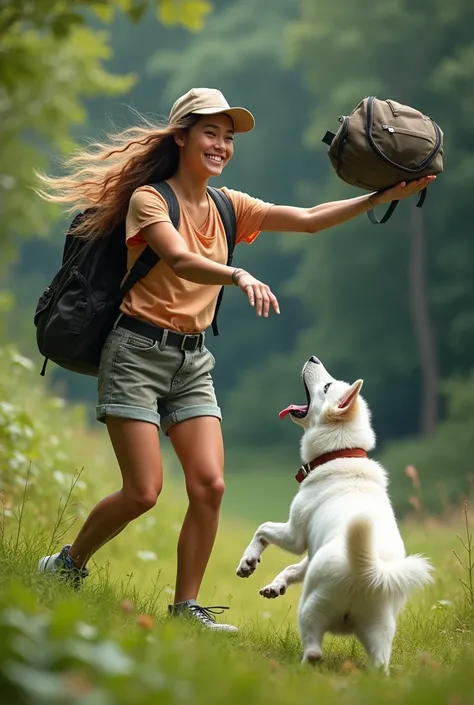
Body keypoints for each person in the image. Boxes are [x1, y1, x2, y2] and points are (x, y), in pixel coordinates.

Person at [36, 88, 434, 632]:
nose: (222, 145)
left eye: (228, 137)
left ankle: (185, 610)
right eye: (210, 133)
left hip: (192, 362)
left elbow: (311, 217)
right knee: (143, 491)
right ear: (181, 137)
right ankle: (67, 564)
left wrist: (382, 195)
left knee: (210, 486)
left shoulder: (229, 205)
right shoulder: (150, 200)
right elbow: (178, 258)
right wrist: (238, 274)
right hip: (135, 352)